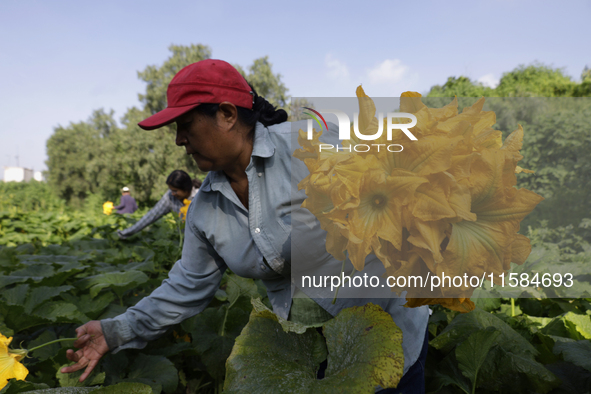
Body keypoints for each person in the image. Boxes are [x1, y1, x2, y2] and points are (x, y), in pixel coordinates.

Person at [62, 59, 429, 393]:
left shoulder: (312, 147)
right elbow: (188, 284)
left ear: (226, 114)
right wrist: (116, 330)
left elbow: (404, 180)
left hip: (387, 340)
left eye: (185, 124)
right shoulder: (205, 208)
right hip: (305, 356)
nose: (179, 140)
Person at [116, 170, 201, 239]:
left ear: (186, 189)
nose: (172, 193)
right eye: (171, 190)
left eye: (175, 191)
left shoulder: (200, 196)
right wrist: (125, 233)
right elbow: (151, 215)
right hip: (184, 242)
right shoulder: (170, 197)